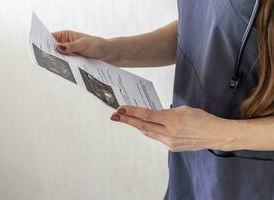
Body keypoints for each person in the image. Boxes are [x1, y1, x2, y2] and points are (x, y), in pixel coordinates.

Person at [53, 0, 274, 199]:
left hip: (247, 178)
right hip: (191, 164)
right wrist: (111, 51)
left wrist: (212, 133)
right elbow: (208, 26)